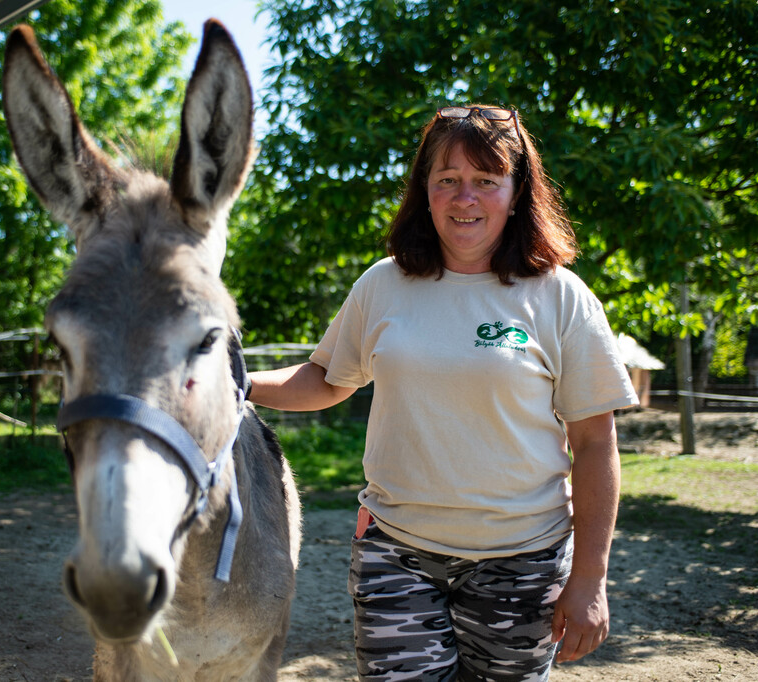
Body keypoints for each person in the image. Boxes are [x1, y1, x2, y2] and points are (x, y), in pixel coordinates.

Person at [249, 105, 638, 681]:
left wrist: (588, 580)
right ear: (424, 191)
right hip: (397, 555)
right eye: (447, 181)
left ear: (517, 190)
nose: (465, 198)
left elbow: (595, 443)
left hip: (523, 564)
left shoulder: (560, 297)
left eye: (486, 181)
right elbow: (326, 381)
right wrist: (240, 382)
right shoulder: (382, 284)